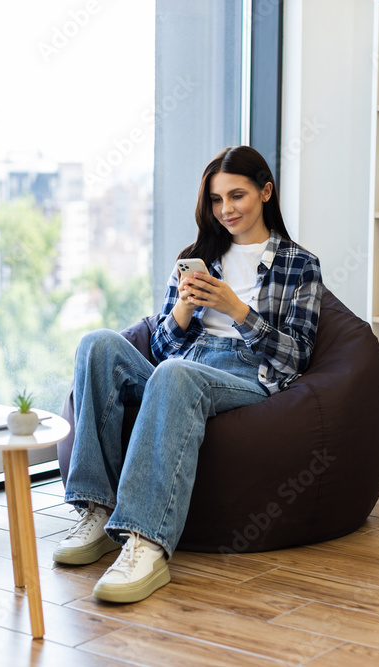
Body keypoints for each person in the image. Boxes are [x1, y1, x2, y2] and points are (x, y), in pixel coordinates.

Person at [53, 145, 323, 603]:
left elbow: (294, 357)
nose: (227, 210)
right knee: (95, 344)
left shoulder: (300, 265)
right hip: (185, 364)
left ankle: (146, 543)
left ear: (266, 192)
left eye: (237, 196)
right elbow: (160, 350)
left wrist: (235, 309)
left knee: (177, 374)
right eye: (217, 200)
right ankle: (97, 510)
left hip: (246, 374)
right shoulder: (197, 255)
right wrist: (182, 308)